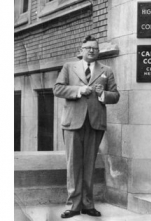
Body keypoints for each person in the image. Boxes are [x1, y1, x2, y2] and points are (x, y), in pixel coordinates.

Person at [53, 35, 120, 218]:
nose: (92, 51)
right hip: (73, 122)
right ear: (81, 50)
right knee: (73, 164)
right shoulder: (69, 67)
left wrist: (103, 94)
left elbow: (115, 96)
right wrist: (79, 91)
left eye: (95, 48)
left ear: (99, 52)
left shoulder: (107, 70)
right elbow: (57, 89)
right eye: (88, 48)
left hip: (95, 123)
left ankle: (88, 205)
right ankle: (73, 205)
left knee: (89, 164)